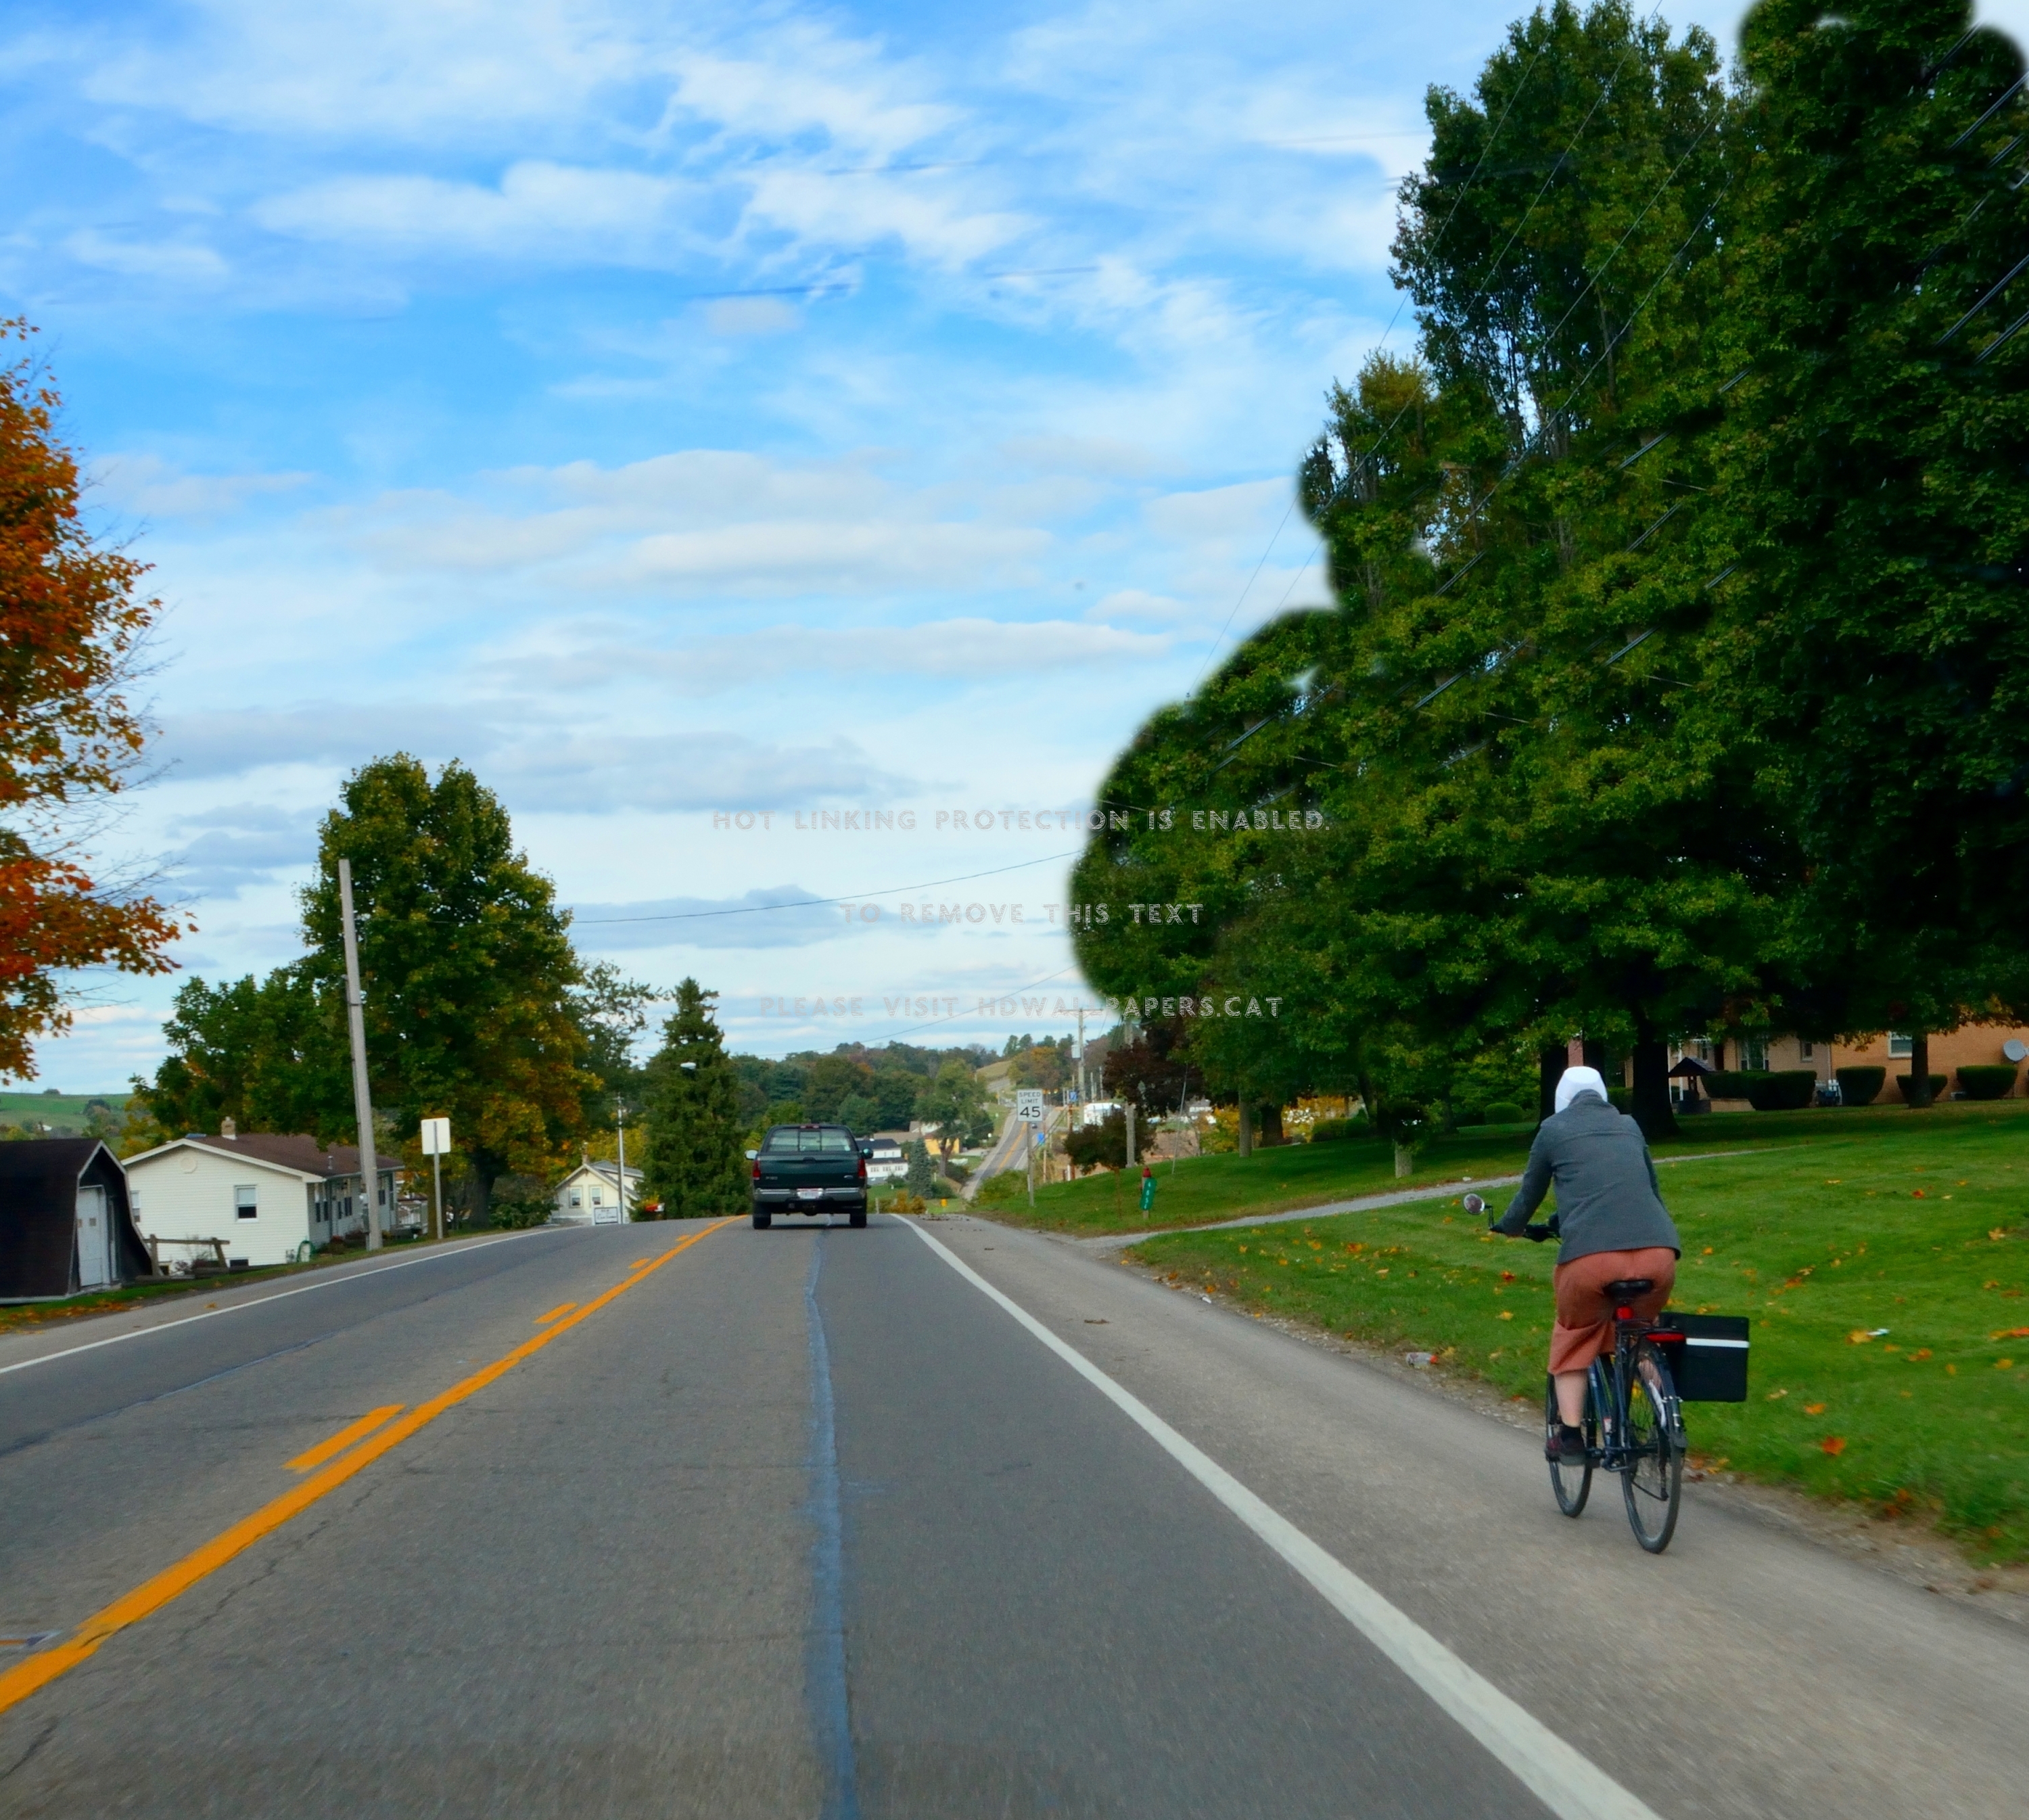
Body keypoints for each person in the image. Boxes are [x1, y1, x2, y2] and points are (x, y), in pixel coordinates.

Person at [1490, 1065, 1681, 1464]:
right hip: (1659, 1253)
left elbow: (1530, 1193)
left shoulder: (1553, 1131)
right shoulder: (1629, 1126)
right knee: (1640, 1335)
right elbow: (1646, 1189)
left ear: (1562, 1099)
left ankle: (1572, 1437)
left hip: (1592, 1260)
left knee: (1574, 1336)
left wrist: (1508, 1226)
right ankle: (1667, 1417)